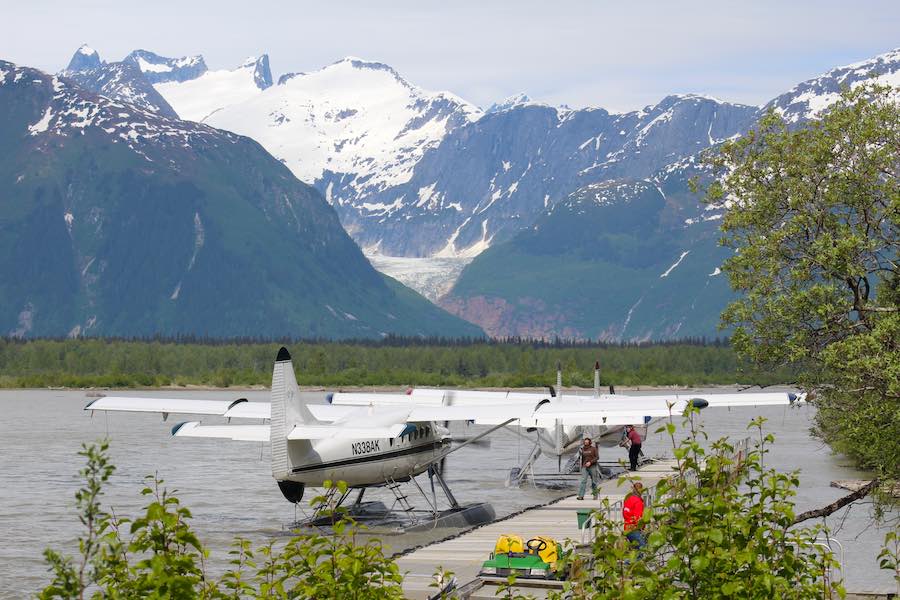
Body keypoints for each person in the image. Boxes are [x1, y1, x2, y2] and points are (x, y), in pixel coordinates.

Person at [623, 481, 646, 552]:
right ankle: (627, 563)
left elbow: (625, 513)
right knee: (642, 549)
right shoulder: (638, 502)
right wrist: (641, 527)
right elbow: (638, 518)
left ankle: (628, 562)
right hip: (634, 529)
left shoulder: (628, 499)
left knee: (636, 550)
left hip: (627, 527)